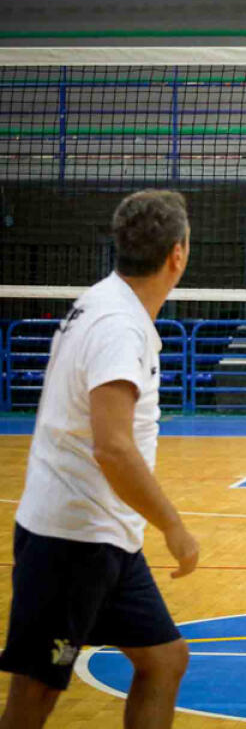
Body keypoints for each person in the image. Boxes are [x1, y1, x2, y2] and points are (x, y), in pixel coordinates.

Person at [0, 190, 199, 728]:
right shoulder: (118, 324)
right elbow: (112, 446)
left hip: (106, 537)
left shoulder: (110, 302)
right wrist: (174, 527)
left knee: (164, 660)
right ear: (177, 255)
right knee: (36, 693)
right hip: (72, 543)